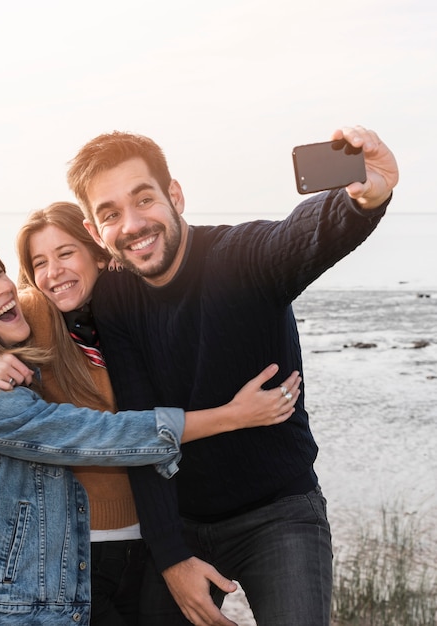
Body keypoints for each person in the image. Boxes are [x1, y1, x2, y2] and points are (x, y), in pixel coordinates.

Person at [65, 125, 399, 626]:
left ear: (174, 196)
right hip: (181, 521)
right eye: (111, 214)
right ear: (95, 232)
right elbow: (141, 432)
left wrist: (362, 200)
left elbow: (298, 236)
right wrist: (173, 558)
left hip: (280, 514)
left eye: (144, 199)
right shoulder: (115, 299)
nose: (132, 224)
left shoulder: (239, 257)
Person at [0, 235, 301, 626]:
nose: (4, 287)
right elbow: (103, 436)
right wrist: (233, 415)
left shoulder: (35, 340)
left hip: (42, 592)